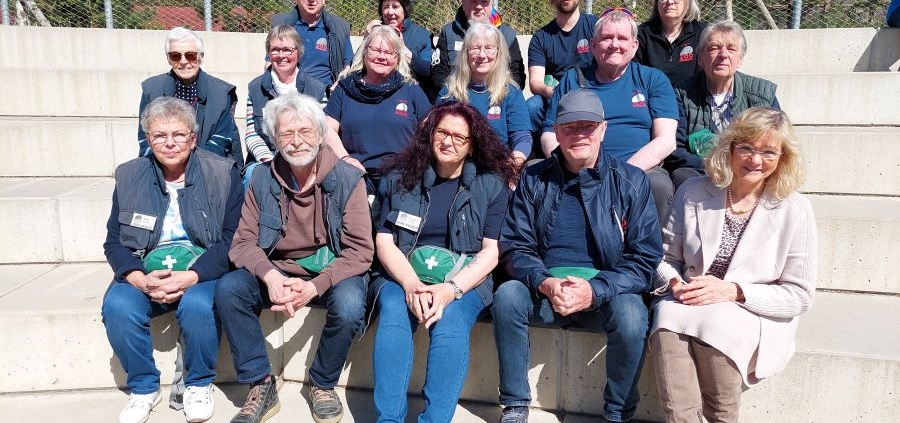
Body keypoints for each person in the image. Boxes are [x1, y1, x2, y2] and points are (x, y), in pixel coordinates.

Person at [493, 89, 663, 423]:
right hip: (546, 294)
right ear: (556, 132)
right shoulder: (534, 177)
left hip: (607, 293)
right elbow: (516, 245)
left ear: (603, 129)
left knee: (632, 315)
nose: (579, 134)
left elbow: (644, 258)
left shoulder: (631, 181)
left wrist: (594, 290)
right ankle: (514, 404)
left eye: (588, 126)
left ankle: (617, 412)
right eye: (570, 127)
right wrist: (545, 282)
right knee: (508, 295)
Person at [650, 107, 816, 423]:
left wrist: (734, 291)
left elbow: (799, 295)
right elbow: (664, 258)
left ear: (782, 158)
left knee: (717, 322)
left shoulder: (796, 210)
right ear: (730, 148)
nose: (755, 160)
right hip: (691, 298)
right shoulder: (693, 191)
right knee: (666, 317)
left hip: (751, 307)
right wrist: (674, 283)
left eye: (768, 152)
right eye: (747, 148)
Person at [215, 93, 373, 423]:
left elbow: (360, 251)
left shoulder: (348, 178)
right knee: (230, 289)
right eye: (286, 133)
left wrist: (315, 286)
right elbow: (242, 243)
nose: (297, 141)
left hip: (331, 270)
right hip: (279, 269)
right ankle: (260, 384)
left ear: (321, 134)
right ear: (275, 137)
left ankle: (322, 383)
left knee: (350, 304)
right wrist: (271, 276)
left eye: (305, 131)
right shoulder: (261, 177)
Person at [370, 102, 515, 423]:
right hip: (403, 273)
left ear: (472, 145)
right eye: (442, 132)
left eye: (459, 137)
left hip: (465, 278)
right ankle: (388, 419)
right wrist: (411, 284)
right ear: (430, 134)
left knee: (451, 322)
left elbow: (490, 252)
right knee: (394, 312)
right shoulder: (398, 179)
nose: (448, 142)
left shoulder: (491, 185)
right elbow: (384, 241)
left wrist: (450, 290)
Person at [102, 97, 243, 423]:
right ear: (148, 139)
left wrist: (193, 275)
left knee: (198, 305)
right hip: (146, 266)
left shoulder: (222, 173)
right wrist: (138, 278)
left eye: (178, 134)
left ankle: (198, 383)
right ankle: (143, 387)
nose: (169, 143)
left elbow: (233, 238)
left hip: (202, 267)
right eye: (159, 135)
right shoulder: (129, 176)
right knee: (118, 306)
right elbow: (114, 241)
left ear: (193, 139)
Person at [542, 7, 679, 224]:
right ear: (593, 45)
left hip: (637, 170)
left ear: (634, 46)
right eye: (606, 38)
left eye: (622, 38)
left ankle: (649, 246)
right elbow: (550, 133)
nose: (614, 44)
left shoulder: (653, 80)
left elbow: (666, 140)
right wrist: (574, 168)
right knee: (536, 174)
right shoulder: (573, 79)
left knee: (658, 186)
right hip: (578, 170)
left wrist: (622, 174)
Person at [666, 20, 780, 191]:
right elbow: (675, 148)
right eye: (714, 48)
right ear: (701, 58)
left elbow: (776, 144)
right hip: (700, 171)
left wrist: (737, 165)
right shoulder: (681, 93)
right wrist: (714, 165)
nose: (723, 55)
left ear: (740, 59)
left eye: (731, 49)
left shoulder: (762, 95)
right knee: (683, 175)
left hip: (748, 170)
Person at [325, 25, 432, 198]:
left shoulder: (411, 89)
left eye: (389, 52)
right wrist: (346, 160)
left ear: (397, 58)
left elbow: (430, 130)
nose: (382, 57)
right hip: (355, 175)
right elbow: (328, 129)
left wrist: (414, 165)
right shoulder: (344, 89)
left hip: (400, 177)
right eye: (375, 50)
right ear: (365, 52)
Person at [138, 27, 241, 165]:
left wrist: (190, 165)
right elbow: (145, 139)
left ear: (200, 57)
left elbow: (221, 140)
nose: (183, 61)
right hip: (164, 165)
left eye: (190, 55)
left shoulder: (221, 92)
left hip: (209, 165)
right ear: (168, 59)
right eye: (175, 56)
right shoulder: (151, 90)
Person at [244, 25, 328, 187]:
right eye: (275, 50)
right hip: (267, 159)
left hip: (306, 158)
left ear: (298, 52)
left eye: (287, 50)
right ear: (268, 53)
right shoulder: (255, 89)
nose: (281, 55)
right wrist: (270, 161)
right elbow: (251, 134)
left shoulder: (317, 89)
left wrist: (300, 160)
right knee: (251, 175)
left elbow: (323, 133)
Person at [438, 23, 531, 168]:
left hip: (497, 167)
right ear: (466, 53)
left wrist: (511, 167)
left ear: (499, 52)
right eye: (475, 48)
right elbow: (436, 135)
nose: (482, 55)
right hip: (456, 167)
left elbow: (522, 138)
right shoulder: (449, 92)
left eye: (489, 48)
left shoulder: (511, 92)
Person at [526, 0, 598, 157]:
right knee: (532, 106)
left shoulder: (595, 27)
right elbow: (535, 82)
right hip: (556, 98)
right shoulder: (541, 37)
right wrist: (554, 92)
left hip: (592, 94)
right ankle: (538, 159)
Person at [431, 0, 526, 91]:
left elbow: (517, 78)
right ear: (463, 3)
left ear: (491, 3)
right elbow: (438, 74)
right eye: (474, 1)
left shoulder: (508, 35)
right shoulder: (449, 32)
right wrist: (459, 93)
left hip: (496, 97)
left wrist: (493, 94)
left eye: (484, 2)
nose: (479, 7)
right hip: (458, 96)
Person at [272, 0, 353, 88]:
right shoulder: (281, 25)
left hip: (327, 90)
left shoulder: (339, 27)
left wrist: (336, 87)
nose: (311, 0)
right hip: (291, 89)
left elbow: (348, 67)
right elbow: (271, 63)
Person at [362, 0, 434, 90]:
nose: (390, 12)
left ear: (405, 9)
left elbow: (428, 72)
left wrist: (404, 50)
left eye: (395, 7)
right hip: (375, 90)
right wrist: (366, 38)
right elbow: (355, 66)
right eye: (386, 7)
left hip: (408, 92)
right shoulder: (374, 32)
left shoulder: (422, 35)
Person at [635, 0, 706, 86]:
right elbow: (636, 77)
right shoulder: (641, 34)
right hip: (653, 93)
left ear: (688, 3)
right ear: (657, 3)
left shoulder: (702, 34)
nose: (670, 2)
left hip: (691, 93)